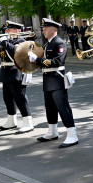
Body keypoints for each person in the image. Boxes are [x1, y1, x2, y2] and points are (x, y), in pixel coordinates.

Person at [29, 18, 79, 148]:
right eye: (43, 29)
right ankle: (52, 131)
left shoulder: (59, 43)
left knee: (63, 107)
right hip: (48, 79)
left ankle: (72, 134)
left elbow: (57, 61)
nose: (43, 31)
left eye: (46, 29)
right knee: (50, 107)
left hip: (57, 79)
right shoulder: (47, 45)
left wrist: (38, 60)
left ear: (54, 30)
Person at [0, 21, 34, 133]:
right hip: (5, 72)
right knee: (8, 98)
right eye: (6, 30)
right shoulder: (7, 41)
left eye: (9, 30)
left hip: (16, 72)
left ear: (17, 31)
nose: (6, 31)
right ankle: (11, 120)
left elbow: (15, 52)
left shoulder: (22, 41)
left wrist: (4, 42)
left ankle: (28, 122)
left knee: (20, 98)